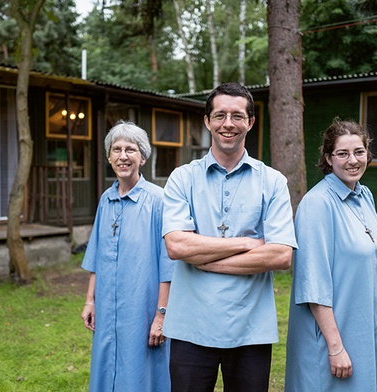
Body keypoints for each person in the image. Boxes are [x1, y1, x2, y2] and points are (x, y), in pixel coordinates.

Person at [161, 82, 298, 392]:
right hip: (190, 328)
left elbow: (281, 255)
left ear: (250, 122)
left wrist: (204, 258)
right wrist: (247, 243)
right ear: (207, 121)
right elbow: (177, 245)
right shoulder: (182, 178)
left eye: (237, 116)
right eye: (220, 115)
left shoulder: (273, 182)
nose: (228, 124)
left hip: (250, 329)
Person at [284, 119, 377, 391]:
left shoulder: (365, 196)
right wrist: (335, 348)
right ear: (328, 158)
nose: (352, 161)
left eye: (359, 152)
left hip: (365, 331)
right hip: (333, 338)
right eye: (342, 153)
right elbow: (313, 284)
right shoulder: (317, 204)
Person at [80, 121, 173, 391]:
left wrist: (161, 315)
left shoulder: (159, 201)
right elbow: (96, 255)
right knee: (106, 366)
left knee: (141, 372)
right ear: (109, 157)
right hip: (107, 308)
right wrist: (90, 301)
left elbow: (169, 264)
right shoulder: (105, 200)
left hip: (142, 310)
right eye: (116, 149)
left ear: (142, 157)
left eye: (130, 149)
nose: (123, 156)